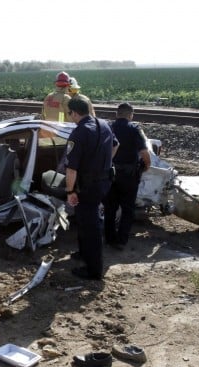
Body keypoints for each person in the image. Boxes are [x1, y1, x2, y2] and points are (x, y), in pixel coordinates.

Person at [64, 95, 118, 280]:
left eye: (70, 113)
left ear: (75, 113)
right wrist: (103, 162)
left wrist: (70, 192)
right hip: (104, 182)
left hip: (87, 187)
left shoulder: (79, 132)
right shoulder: (104, 124)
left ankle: (94, 270)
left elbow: (71, 168)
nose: (70, 117)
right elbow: (115, 145)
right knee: (86, 220)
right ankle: (83, 253)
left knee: (90, 226)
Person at [103, 102, 151, 250]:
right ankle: (121, 240)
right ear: (131, 115)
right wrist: (146, 167)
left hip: (111, 174)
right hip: (129, 176)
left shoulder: (108, 127)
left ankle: (109, 238)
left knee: (110, 208)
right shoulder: (135, 129)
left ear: (117, 114)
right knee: (127, 209)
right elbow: (144, 152)